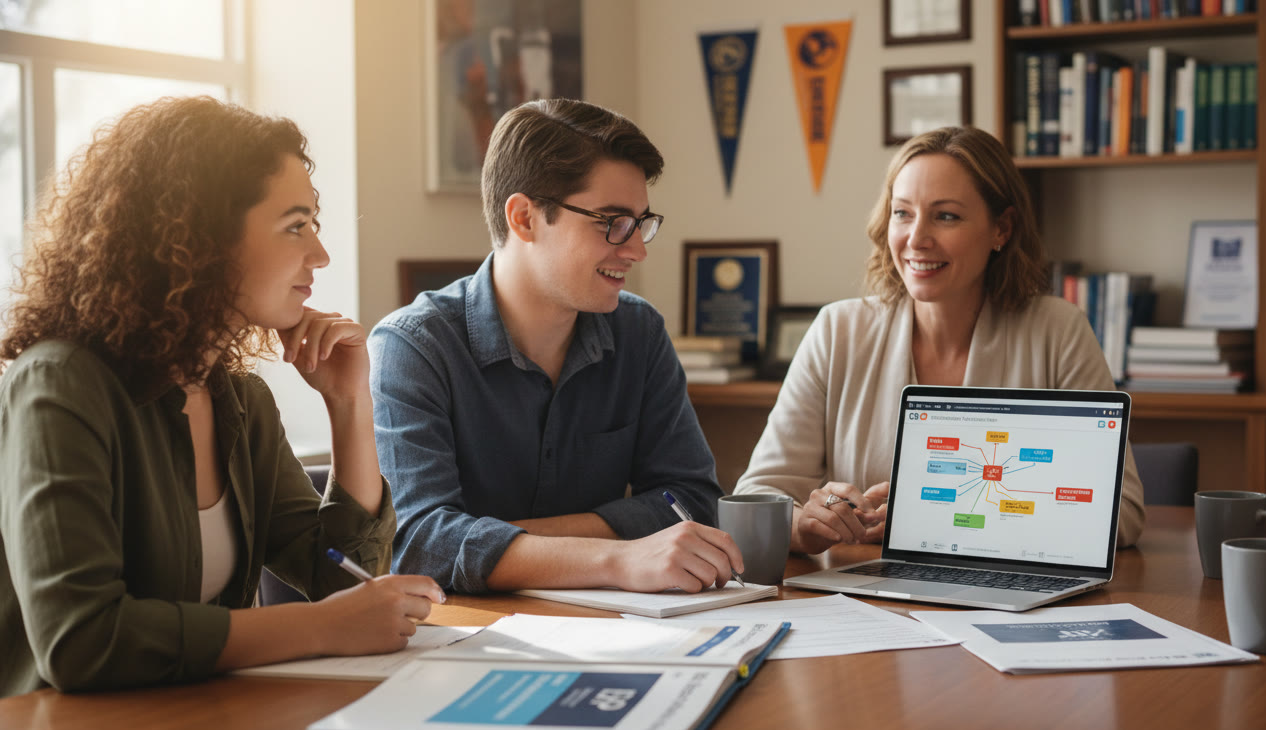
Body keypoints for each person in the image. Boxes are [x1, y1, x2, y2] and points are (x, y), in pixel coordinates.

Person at [0, 96, 444, 698]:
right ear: (199, 238)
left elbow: (337, 577)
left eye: (314, 224)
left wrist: (349, 404)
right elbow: (82, 640)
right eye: (295, 226)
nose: (320, 255)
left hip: (198, 725)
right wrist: (319, 627)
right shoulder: (59, 385)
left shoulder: (239, 400)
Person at [370, 98, 739, 595]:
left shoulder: (639, 332)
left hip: (611, 626)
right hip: (468, 639)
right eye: (612, 221)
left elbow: (691, 499)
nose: (636, 249)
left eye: (641, 222)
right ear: (524, 218)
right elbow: (421, 543)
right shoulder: (413, 348)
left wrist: (501, 540)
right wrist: (617, 557)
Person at [734, 125, 1145, 555]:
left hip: (1007, 596)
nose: (916, 239)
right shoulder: (838, 331)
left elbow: (1124, 513)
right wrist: (805, 526)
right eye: (902, 213)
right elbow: (757, 497)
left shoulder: (1058, 331)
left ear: (1001, 229)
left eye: (946, 215)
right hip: (867, 598)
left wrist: (945, 518)